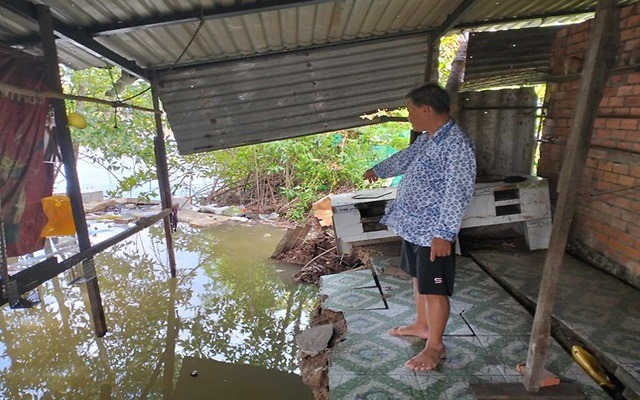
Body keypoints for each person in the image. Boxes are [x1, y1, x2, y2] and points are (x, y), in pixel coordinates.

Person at [362, 82, 476, 371]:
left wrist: (444, 234)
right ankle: (422, 325)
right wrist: (378, 170)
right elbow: (406, 157)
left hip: (433, 231)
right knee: (418, 278)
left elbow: (457, 192)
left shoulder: (456, 144)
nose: (409, 116)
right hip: (414, 227)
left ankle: (435, 346)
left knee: (435, 289)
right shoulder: (429, 138)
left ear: (426, 110)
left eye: (411, 110)